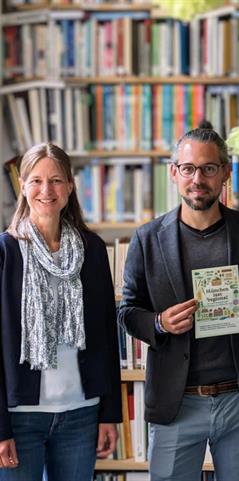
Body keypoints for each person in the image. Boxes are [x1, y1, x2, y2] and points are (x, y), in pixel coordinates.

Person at [118, 122, 239, 481]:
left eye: (209, 168)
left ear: (226, 173)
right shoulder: (147, 238)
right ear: (174, 172)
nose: (198, 178)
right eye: (189, 168)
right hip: (178, 401)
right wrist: (160, 323)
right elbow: (127, 311)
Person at [0, 143, 121, 480]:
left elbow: (106, 337)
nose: (46, 190)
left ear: (69, 186)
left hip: (80, 413)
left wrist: (109, 413)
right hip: (19, 415)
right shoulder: (6, 252)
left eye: (55, 180)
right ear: (22, 186)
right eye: (36, 180)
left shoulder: (91, 249)